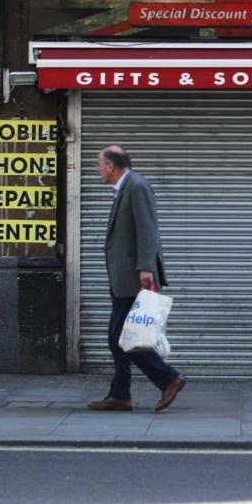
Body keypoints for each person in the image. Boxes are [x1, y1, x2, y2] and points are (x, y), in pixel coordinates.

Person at [88, 145, 186, 412]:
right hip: (124, 275)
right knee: (117, 337)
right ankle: (120, 394)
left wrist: (145, 268)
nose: (97, 169)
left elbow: (148, 229)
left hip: (134, 276)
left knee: (124, 336)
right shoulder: (126, 187)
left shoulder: (136, 186)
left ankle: (169, 378)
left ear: (111, 166)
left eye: (99, 163)